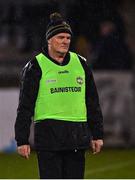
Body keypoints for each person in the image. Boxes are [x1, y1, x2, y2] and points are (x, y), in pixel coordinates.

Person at [15, 12, 104, 179]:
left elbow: (92, 101)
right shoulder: (35, 66)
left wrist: (97, 134)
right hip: (49, 138)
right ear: (49, 39)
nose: (65, 41)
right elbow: (25, 106)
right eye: (60, 37)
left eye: (68, 38)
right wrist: (22, 139)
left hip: (76, 136)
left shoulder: (81, 64)